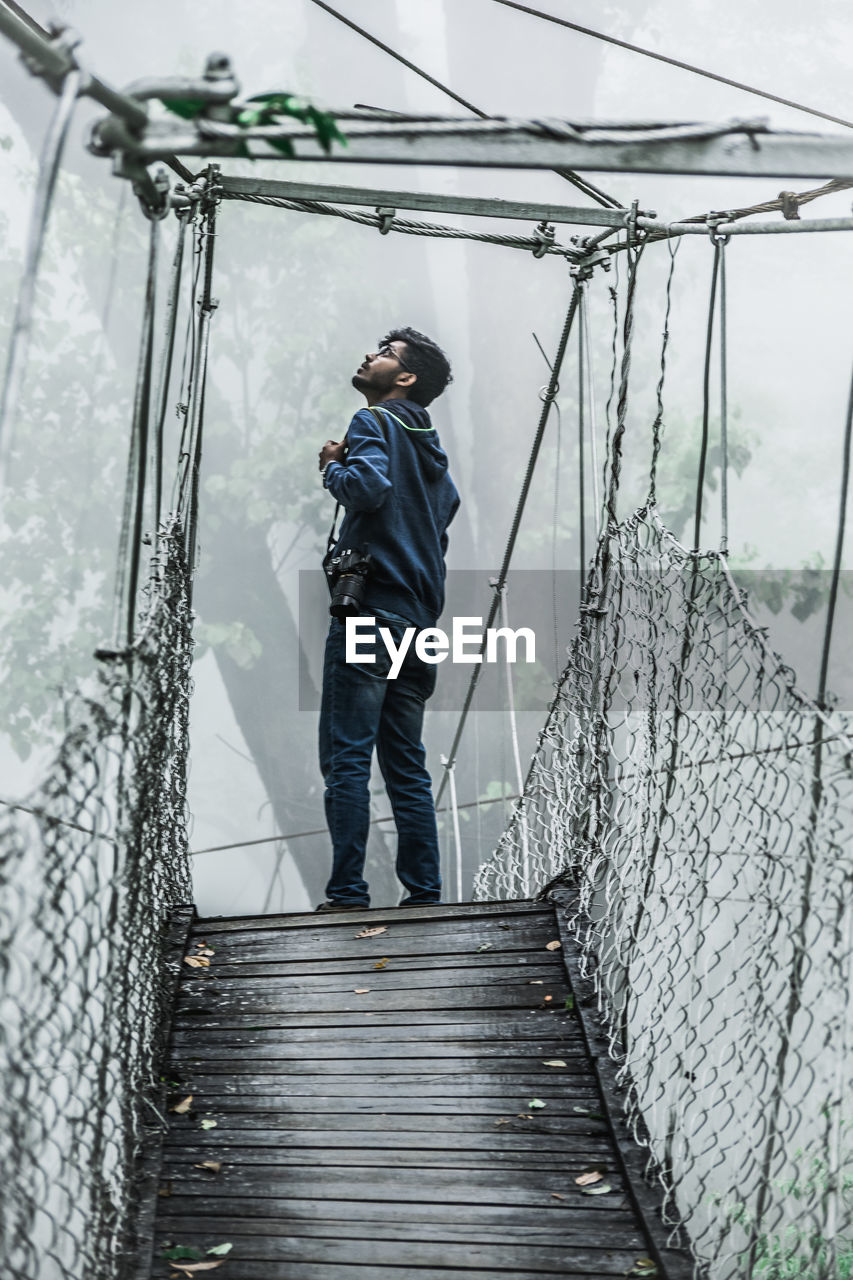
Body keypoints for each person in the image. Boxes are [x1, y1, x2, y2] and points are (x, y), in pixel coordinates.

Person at [316, 326, 459, 911]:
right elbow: (444, 513)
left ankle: (348, 893)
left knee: (346, 755)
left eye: (384, 354)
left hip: (371, 610)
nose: (368, 355)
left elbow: (366, 488)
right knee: (406, 764)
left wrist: (331, 467)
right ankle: (424, 893)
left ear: (404, 379)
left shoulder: (372, 421)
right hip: (419, 620)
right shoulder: (433, 458)